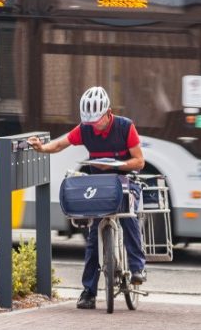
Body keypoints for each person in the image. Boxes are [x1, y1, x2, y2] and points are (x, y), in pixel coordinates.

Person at [28, 86, 147, 309]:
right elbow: (61, 144)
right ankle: (88, 293)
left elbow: (139, 161)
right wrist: (42, 149)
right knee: (93, 236)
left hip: (125, 180)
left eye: (97, 122)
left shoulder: (125, 127)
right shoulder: (85, 129)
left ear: (108, 113)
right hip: (100, 186)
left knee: (129, 217)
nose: (93, 127)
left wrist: (118, 165)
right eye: (88, 123)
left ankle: (137, 268)